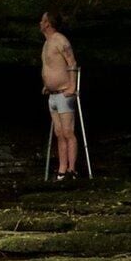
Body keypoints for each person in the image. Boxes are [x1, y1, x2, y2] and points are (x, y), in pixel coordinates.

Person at [39, 11, 83, 178]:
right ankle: (62, 168)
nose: (40, 23)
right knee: (59, 133)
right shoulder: (47, 43)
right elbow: (50, 67)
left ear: (48, 23)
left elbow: (72, 62)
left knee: (68, 132)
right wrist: (47, 85)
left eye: (42, 20)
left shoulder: (60, 40)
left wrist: (72, 86)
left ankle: (72, 169)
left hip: (64, 92)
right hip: (52, 94)